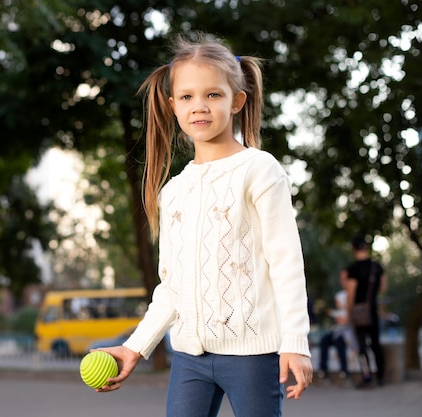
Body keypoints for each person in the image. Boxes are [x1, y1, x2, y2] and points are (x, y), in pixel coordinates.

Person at [94, 32, 313, 417]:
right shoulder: (174, 191)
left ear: (237, 101)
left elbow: (286, 263)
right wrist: (134, 347)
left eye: (213, 94)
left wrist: (295, 341)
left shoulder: (259, 170)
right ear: (172, 105)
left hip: (253, 355)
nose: (200, 106)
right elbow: (172, 288)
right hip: (190, 360)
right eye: (187, 96)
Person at [343, 235, 387, 388]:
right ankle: (381, 377)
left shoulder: (353, 269)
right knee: (376, 343)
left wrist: (349, 312)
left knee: (362, 346)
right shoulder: (377, 267)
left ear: (353, 249)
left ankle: (367, 377)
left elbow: (351, 292)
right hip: (373, 309)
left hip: (359, 311)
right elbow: (382, 287)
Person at [317, 273, 356, 382]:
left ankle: (344, 372)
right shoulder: (340, 295)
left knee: (340, 341)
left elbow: (350, 318)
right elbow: (338, 315)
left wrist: (346, 320)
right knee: (324, 340)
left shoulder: (355, 296)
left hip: (349, 333)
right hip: (338, 330)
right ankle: (323, 371)